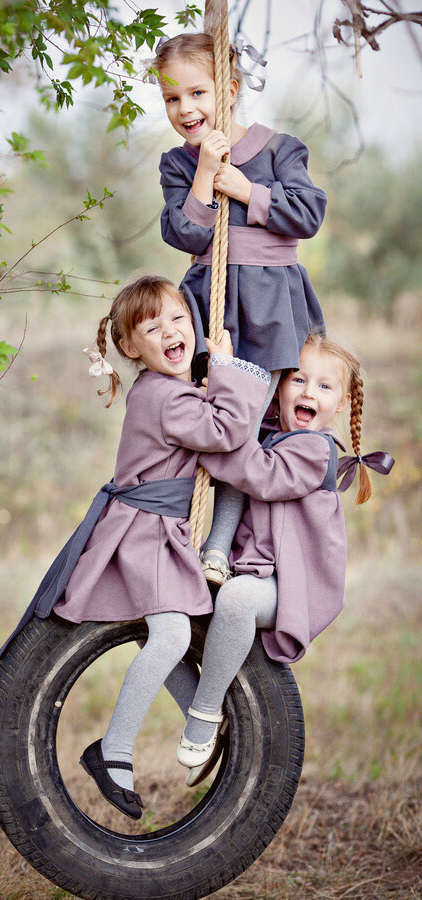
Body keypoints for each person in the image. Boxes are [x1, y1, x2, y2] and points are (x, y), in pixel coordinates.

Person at [6, 274, 271, 820]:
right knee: (173, 631)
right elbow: (226, 433)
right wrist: (224, 367)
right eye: (153, 328)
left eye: (179, 319)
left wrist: (211, 371)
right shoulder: (162, 396)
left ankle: (206, 716)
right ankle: (114, 751)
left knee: (167, 629)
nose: (172, 331)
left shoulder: (172, 390)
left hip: (156, 527)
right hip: (145, 529)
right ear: (131, 348)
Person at [173, 334, 394, 785]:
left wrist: (212, 429)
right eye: (298, 379)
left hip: (292, 589)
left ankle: (203, 713)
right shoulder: (272, 434)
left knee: (235, 599)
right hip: (253, 570)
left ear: (341, 404)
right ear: (280, 387)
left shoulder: (317, 451)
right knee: (161, 609)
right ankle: (210, 715)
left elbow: (261, 475)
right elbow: (245, 454)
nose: (308, 392)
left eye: (324, 387)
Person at [154, 33, 328, 585]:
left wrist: (247, 189)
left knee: (249, 422)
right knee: (208, 415)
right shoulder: (177, 164)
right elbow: (184, 232)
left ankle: (223, 546)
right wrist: (205, 172)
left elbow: (307, 214)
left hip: (272, 304)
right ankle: (181, 531)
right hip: (214, 301)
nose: (186, 110)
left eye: (198, 93)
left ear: (227, 89)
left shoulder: (279, 147)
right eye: (172, 100)